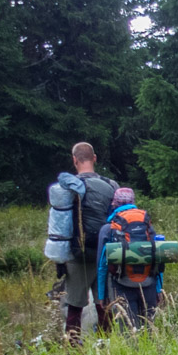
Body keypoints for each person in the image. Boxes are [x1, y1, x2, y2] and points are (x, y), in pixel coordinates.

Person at [61, 142, 117, 343]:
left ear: (74, 160)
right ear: (94, 158)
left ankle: (73, 350)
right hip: (105, 255)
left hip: (76, 255)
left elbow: (61, 226)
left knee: (74, 307)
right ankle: (106, 346)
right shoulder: (111, 186)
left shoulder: (65, 188)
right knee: (105, 304)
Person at [96, 186, 164, 328]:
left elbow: (102, 266)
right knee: (149, 331)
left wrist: (102, 295)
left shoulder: (108, 229)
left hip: (121, 285)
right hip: (148, 284)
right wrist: (158, 289)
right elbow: (158, 259)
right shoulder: (147, 225)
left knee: (128, 332)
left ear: (114, 203)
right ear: (133, 202)